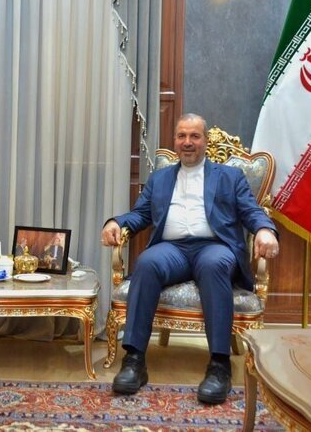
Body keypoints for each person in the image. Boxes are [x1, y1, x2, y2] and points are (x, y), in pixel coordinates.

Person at [100, 113, 279, 405]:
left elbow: (251, 211)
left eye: (194, 136)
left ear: (205, 141)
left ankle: (219, 365)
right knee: (147, 262)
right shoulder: (160, 178)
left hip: (213, 247)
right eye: (182, 136)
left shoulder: (230, 177)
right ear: (175, 141)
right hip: (173, 250)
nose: (187, 142)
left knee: (214, 264)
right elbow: (141, 214)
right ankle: (134, 360)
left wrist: (264, 230)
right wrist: (116, 222)